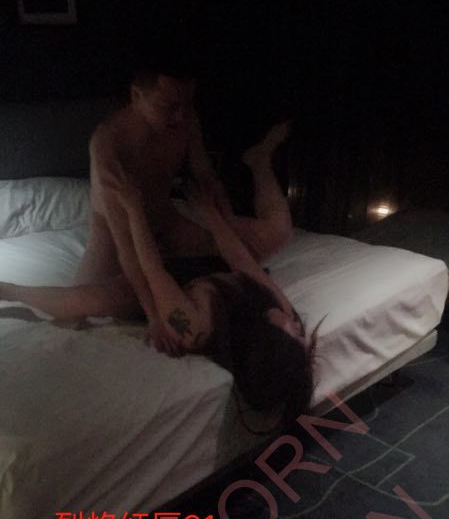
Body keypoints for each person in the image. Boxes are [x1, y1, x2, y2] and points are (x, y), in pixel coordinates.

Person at [0, 76, 319, 424]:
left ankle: (8, 290)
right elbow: (241, 261)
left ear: (266, 343)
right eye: (171, 106)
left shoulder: (194, 327)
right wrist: (213, 218)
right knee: (278, 233)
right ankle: (260, 161)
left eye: (294, 334)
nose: (298, 325)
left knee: (86, 303)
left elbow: (152, 269)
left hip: (169, 269)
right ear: (137, 95)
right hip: (124, 235)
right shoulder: (107, 141)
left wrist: (135, 208)